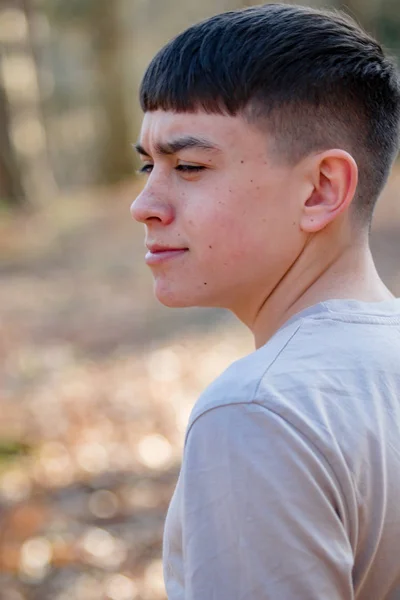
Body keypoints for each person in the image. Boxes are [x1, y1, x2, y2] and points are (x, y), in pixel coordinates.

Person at [131, 4, 400, 599]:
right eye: (148, 165)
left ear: (321, 189)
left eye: (190, 165)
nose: (145, 203)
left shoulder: (258, 412)